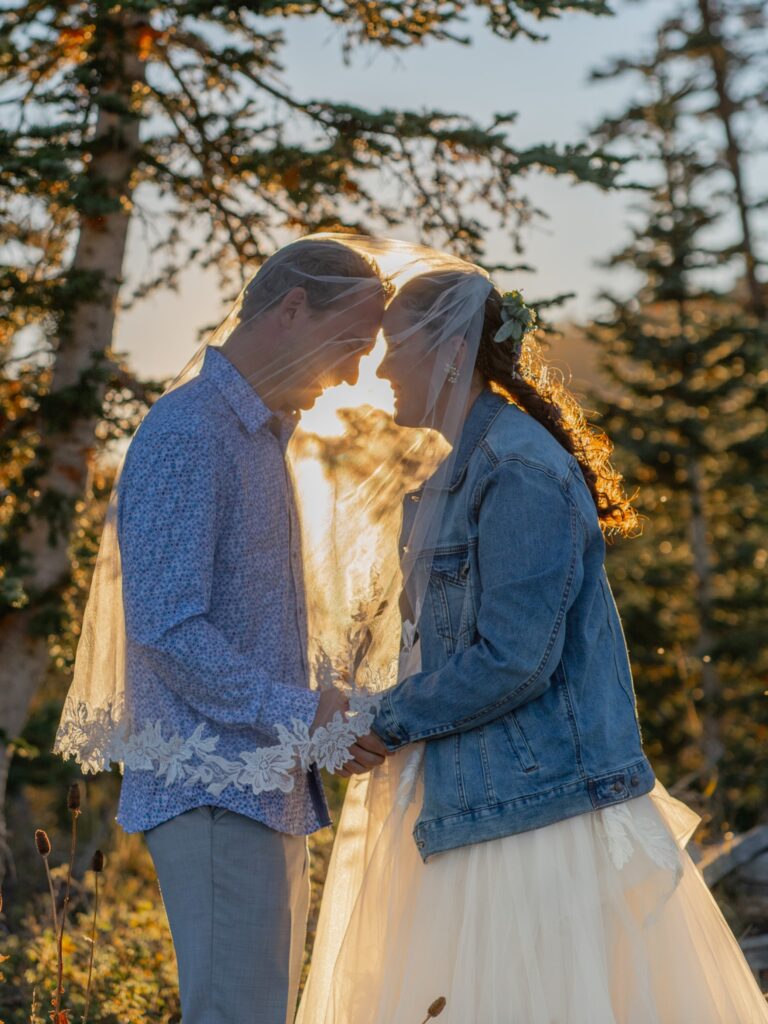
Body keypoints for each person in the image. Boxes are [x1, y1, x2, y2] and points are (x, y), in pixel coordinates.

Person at [298, 265, 768, 1024]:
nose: (381, 368)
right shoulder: (459, 469)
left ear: (451, 352)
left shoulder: (516, 468)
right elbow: (440, 641)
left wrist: (378, 721)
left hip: (531, 811)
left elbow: (515, 658)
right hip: (470, 791)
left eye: (395, 347)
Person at [54, 236, 390, 1024]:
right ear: (293, 308)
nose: (351, 373)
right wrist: (301, 715)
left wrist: (322, 719)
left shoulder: (258, 437)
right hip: (213, 796)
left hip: (258, 789)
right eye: (350, 345)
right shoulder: (189, 434)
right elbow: (169, 630)